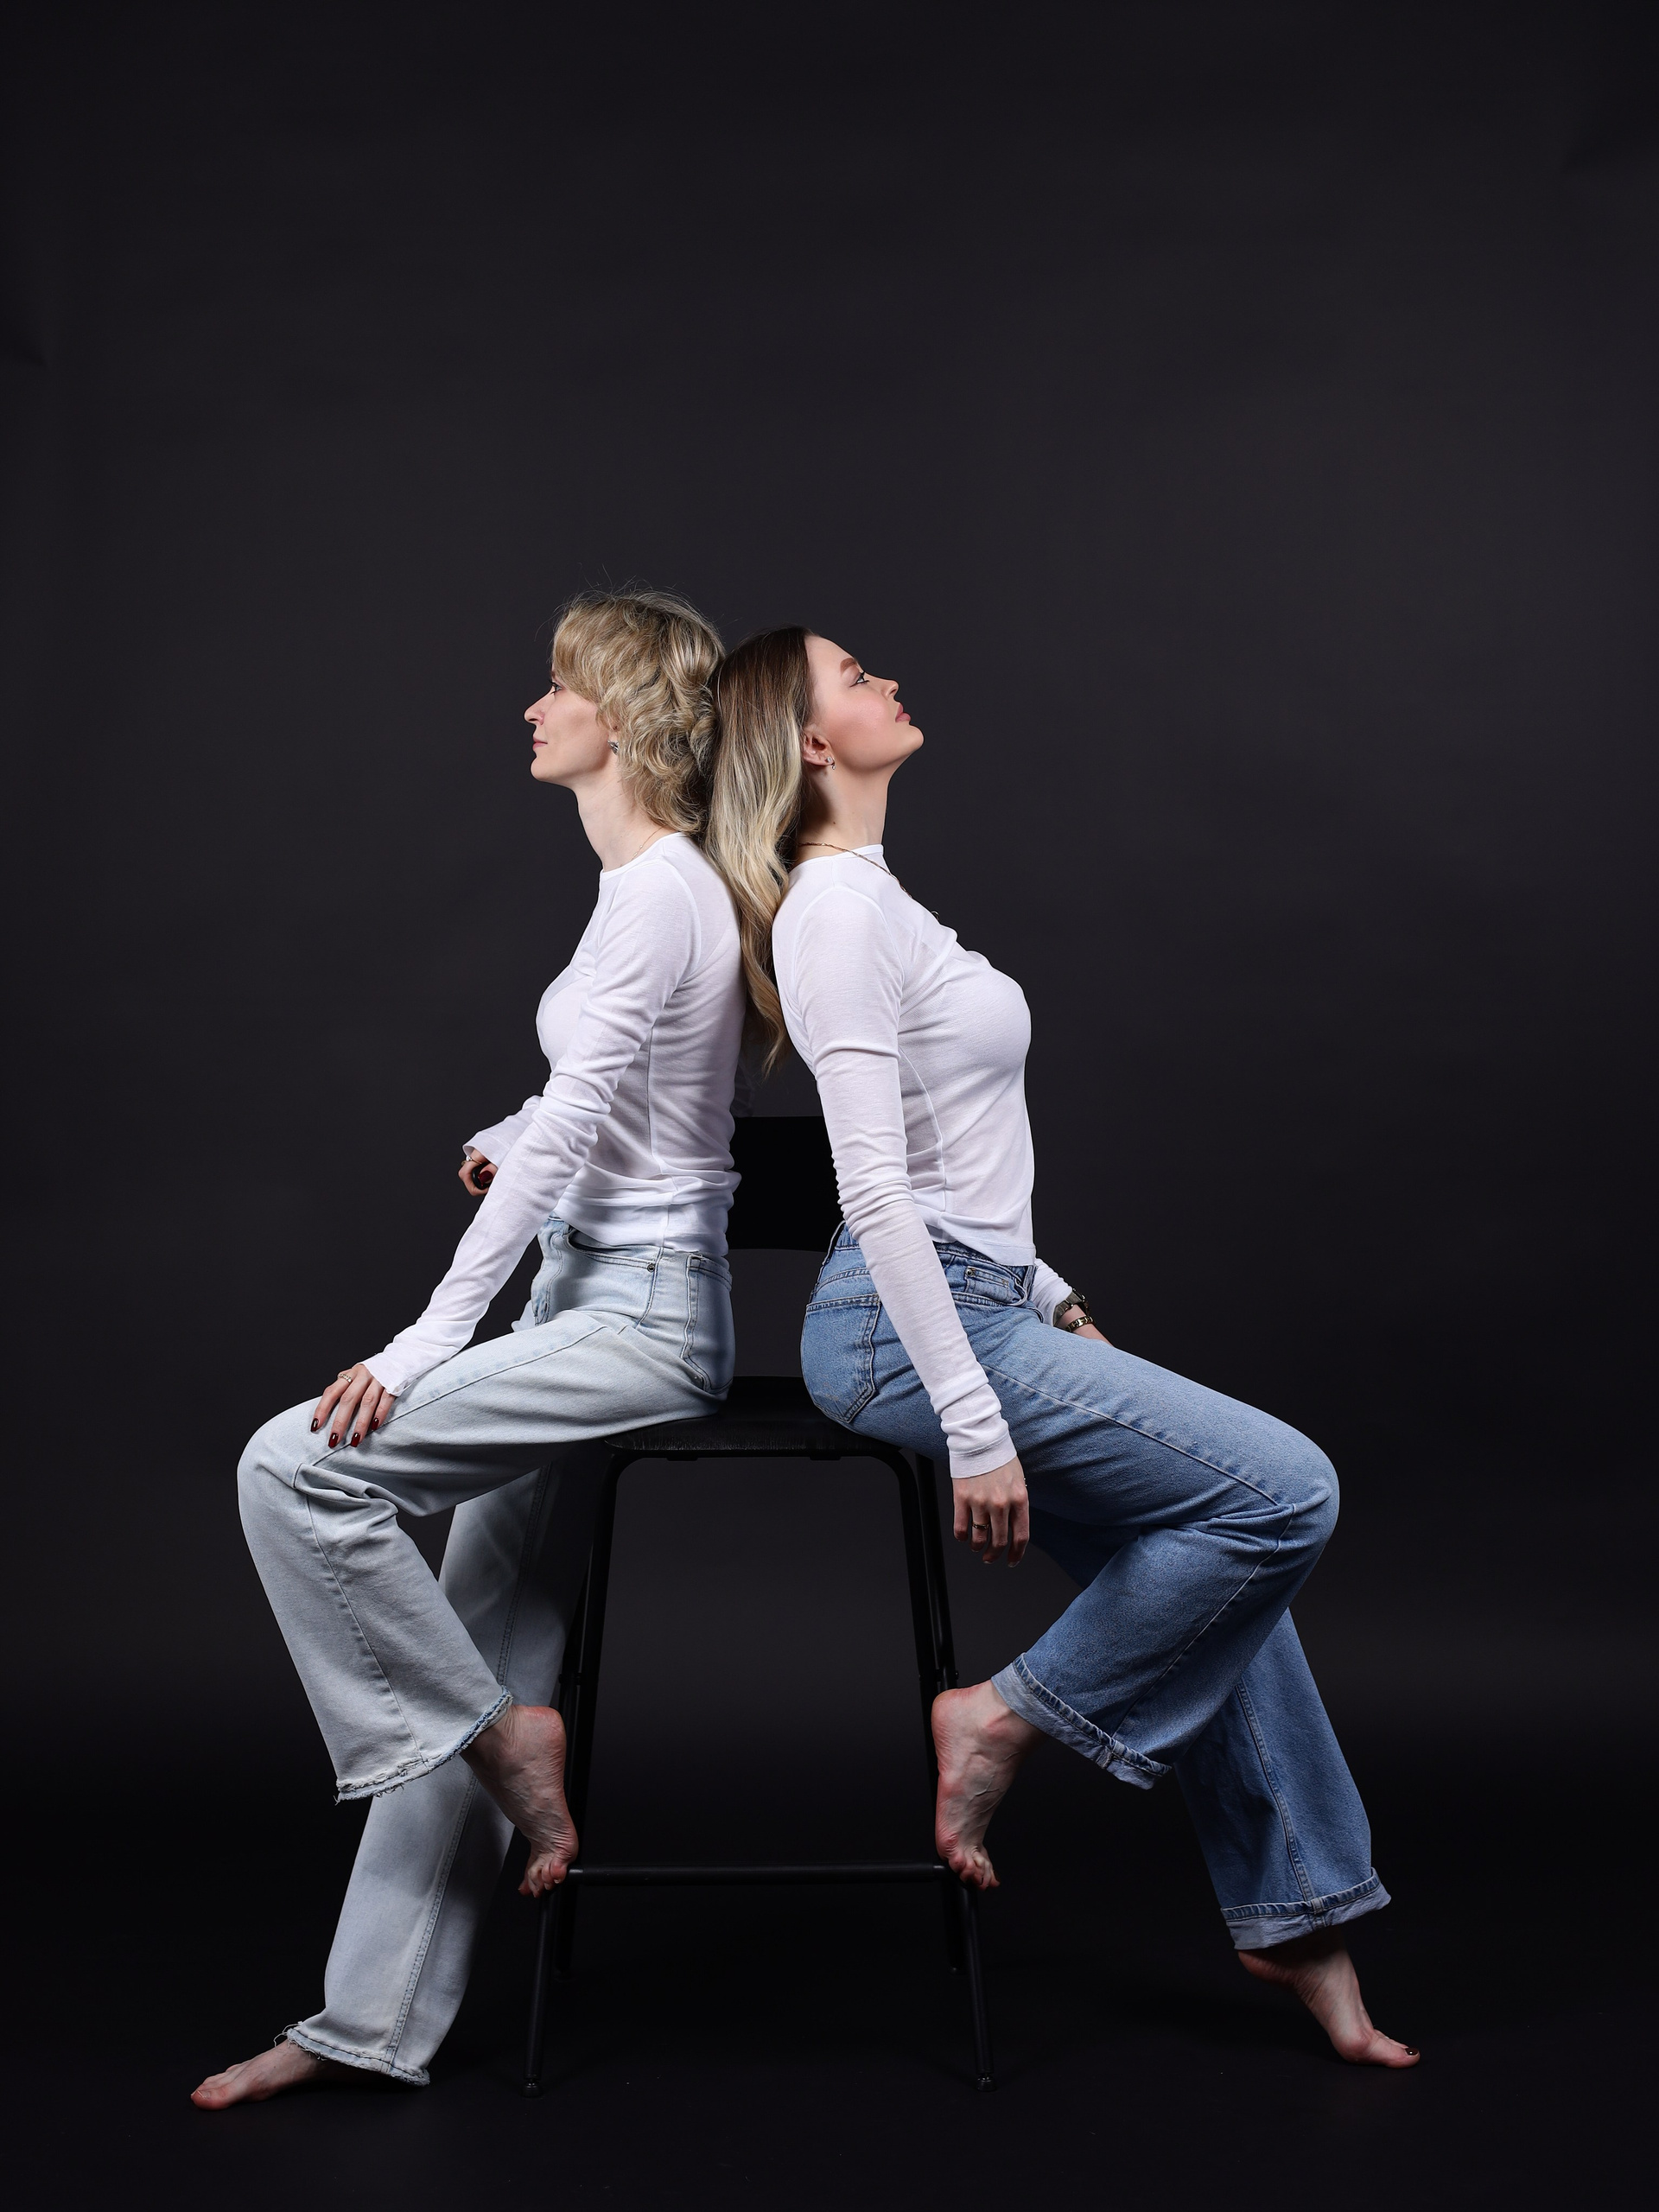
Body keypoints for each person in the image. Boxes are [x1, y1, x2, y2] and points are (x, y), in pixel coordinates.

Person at [702, 626, 1418, 2069]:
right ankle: (1003, 1718)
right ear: (814, 741)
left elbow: (958, 1160)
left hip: (982, 1300)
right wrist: (976, 1421)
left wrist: (1050, 1293)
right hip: (900, 1330)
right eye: (853, 676)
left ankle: (1298, 1918)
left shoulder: (880, 900)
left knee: (1218, 1577)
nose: (885, 680)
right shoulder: (834, 914)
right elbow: (877, 1193)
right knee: (1285, 1492)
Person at [194, 589, 747, 2107]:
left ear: (621, 720)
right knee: (467, 1626)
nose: (534, 708)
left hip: (637, 1318)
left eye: (560, 686)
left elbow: (588, 1129)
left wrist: (424, 1345)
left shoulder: (660, 894)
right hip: (589, 1292)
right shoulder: (646, 889)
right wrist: (511, 1131)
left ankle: (504, 1744)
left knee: (294, 1470)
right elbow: (611, 1101)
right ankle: (368, 2024)